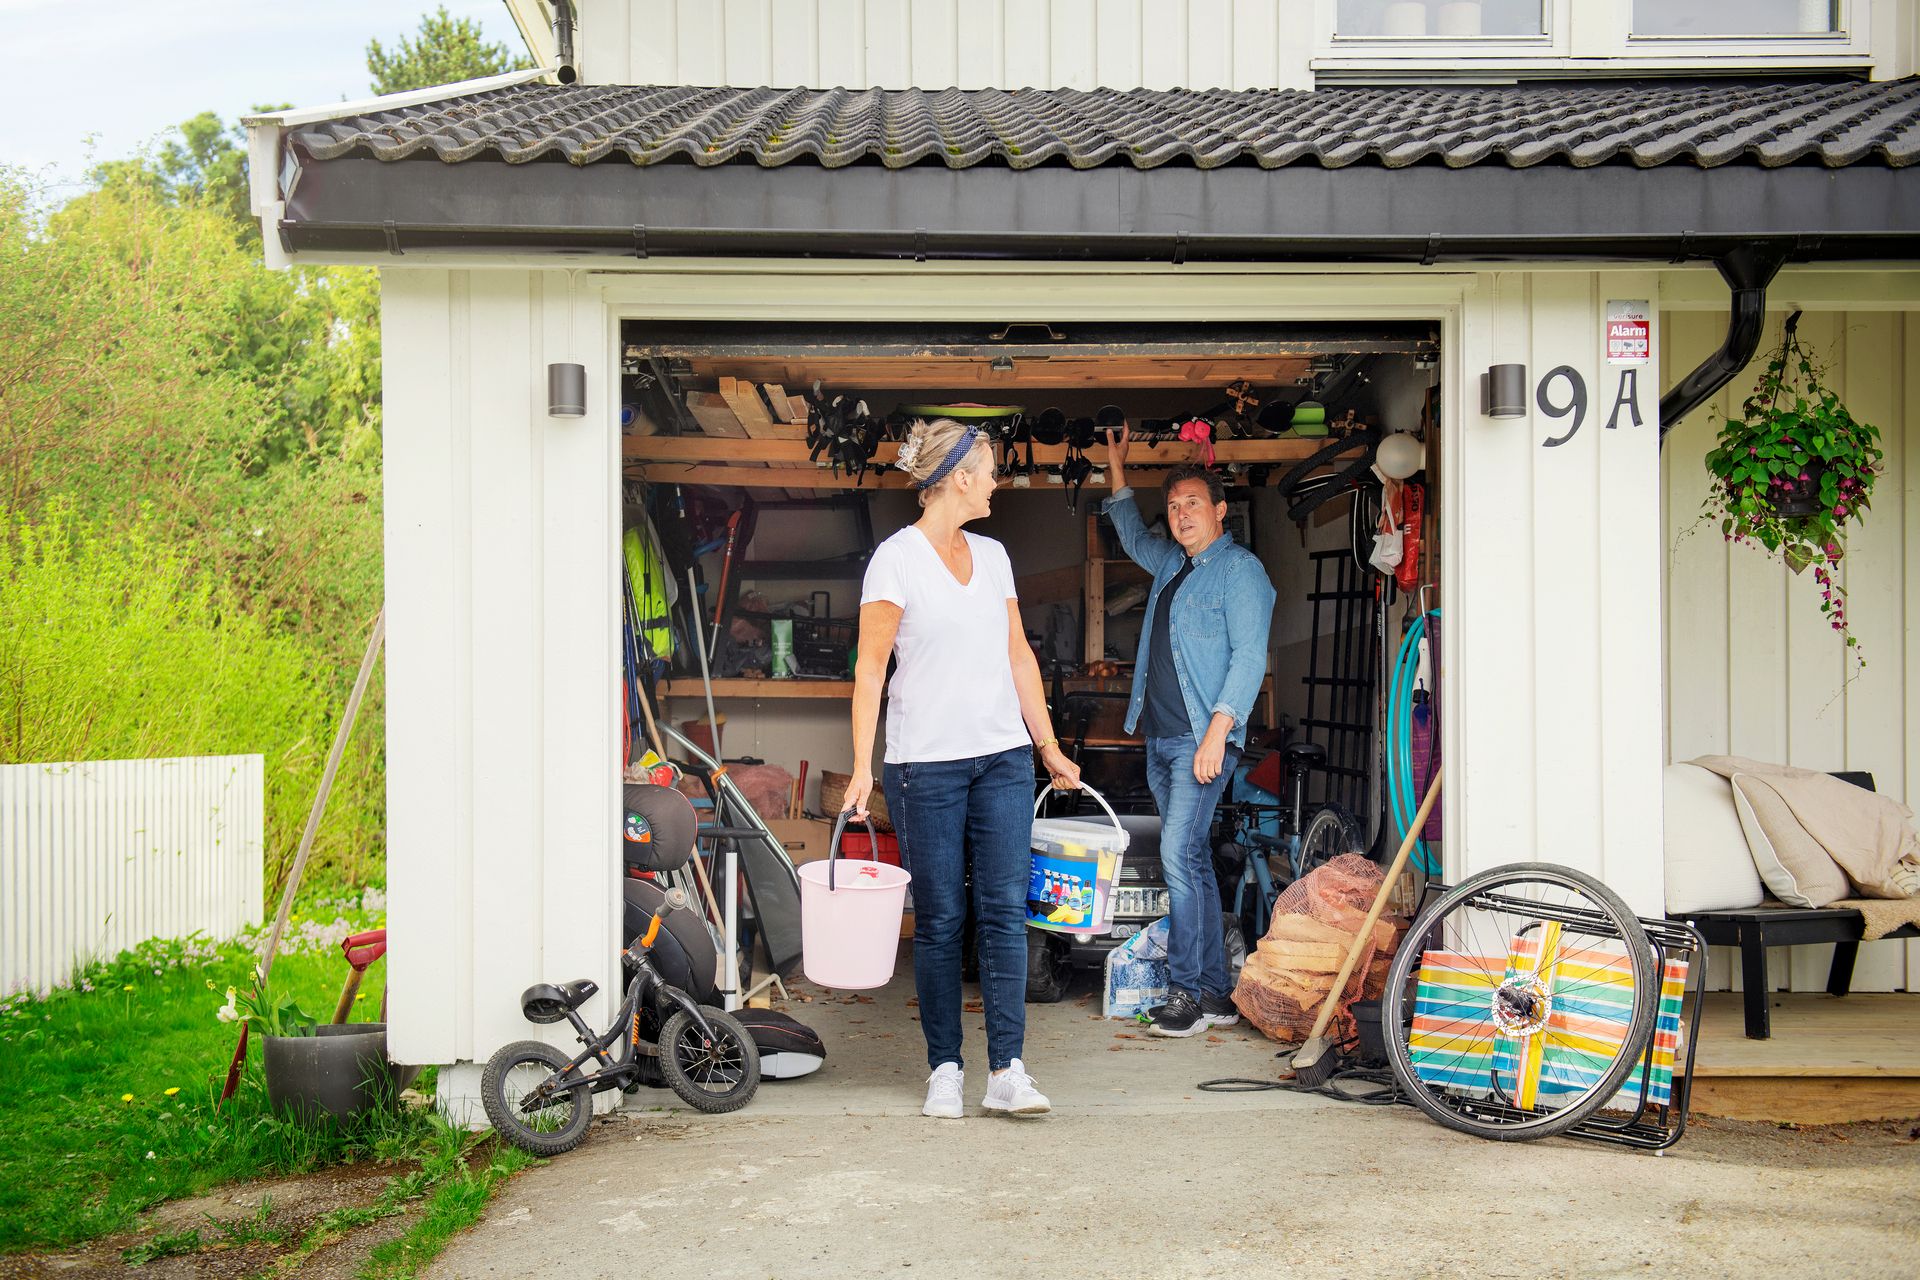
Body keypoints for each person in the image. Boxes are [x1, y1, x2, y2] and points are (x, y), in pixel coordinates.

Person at [846, 417, 1082, 1119]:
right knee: (945, 918)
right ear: (958, 478)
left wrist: (1046, 744)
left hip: (1003, 758)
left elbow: (1019, 656)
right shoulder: (896, 560)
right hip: (925, 767)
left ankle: (1007, 1068)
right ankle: (944, 1068)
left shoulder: (996, 555)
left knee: (1006, 913)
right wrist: (861, 766)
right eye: (991, 468)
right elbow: (868, 669)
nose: (998, 481)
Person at [1102, 425, 1275, 1038]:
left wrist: (1216, 735)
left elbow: (1251, 658)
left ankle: (1186, 993)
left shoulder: (1240, 572)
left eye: (1193, 504)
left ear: (1220, 510)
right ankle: (1216, 995)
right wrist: (1117, 465)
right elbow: (1127, 531)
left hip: (1203, 741)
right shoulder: (1172, 562)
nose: (1181, 516)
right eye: (1174, 507)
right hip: (1162, 738)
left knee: (1177, 854)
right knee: (1193, 860)